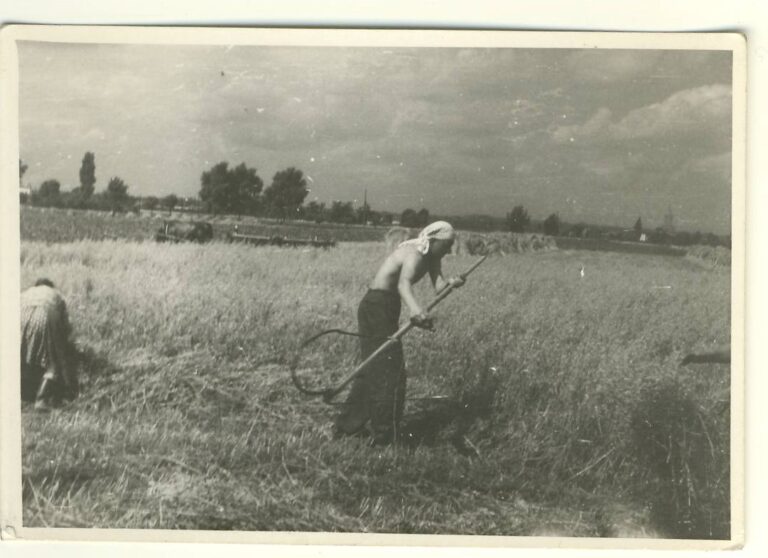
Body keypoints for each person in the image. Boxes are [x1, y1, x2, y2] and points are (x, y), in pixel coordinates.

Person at [334, 221, 464, 444]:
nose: (449, 250)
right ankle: (384, 436)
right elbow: (403, 284)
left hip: (387, 307)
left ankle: (347, 427)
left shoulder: (432, 257)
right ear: (433, 240)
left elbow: (439, 286)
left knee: (373, 367)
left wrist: (453, 283)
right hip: (376, 305)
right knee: (388, 372)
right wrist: (416, 311)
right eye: (447, 245)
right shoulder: (414, 253)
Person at [20, 278, 78, 410]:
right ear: (50, 286)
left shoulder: (26, 293)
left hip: (19, 316)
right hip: (44, 314)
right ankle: (41, 400)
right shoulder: (55, 295)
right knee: (53, 360)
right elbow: (65, 328)